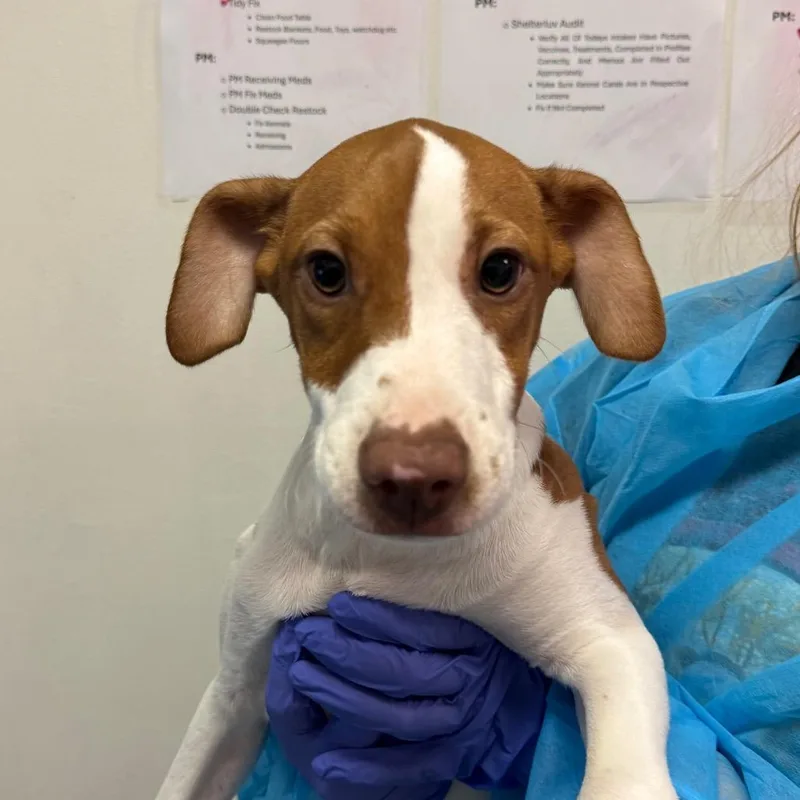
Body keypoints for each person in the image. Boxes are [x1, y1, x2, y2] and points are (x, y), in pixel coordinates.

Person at [239, 159, 800, 800]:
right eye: (330, 273)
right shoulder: (693, 347)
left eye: (497, 271)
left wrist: (521, 734)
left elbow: (605, 643)